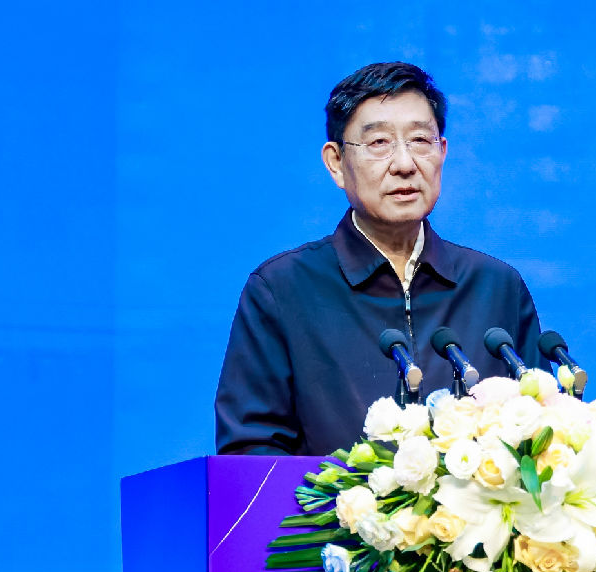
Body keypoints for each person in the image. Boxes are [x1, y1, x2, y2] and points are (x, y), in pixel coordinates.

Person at [215, 62, 547, 456]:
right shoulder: (282, 290)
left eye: (420, 140)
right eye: (379, 143)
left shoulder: (496, 286)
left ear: (442, 152)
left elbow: (541, 435)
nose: (405, 164)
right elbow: (251, 452)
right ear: (336, 163)